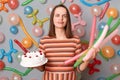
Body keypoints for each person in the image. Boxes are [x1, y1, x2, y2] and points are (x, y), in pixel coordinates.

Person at [37, 4, 96, 80]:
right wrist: (33, 63)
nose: (61, 19)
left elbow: (78, 68)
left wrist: (88, 59)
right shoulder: (44, 41)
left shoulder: (75, 40)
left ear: (67, 19)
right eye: (57, 15)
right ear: (52, 18)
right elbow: (42, 68)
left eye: (64, 16)